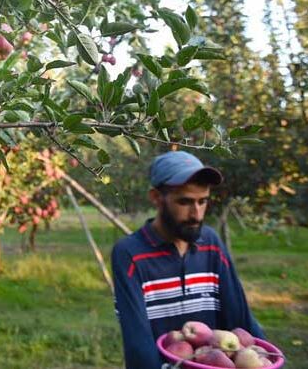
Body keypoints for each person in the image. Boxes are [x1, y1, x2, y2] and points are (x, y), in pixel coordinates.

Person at [111, 151, 264, 369]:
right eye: (185, 202)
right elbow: (138, 344)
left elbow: (240, 318)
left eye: (203, 201)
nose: (196, 214)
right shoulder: (131, 254)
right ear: (156, 197)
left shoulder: (210, 243)